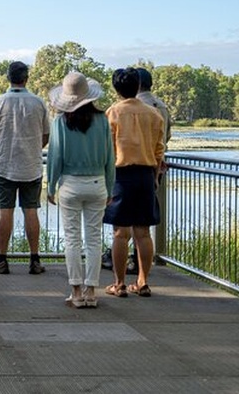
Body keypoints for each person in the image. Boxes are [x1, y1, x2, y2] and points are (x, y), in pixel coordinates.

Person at [46, 72, 115, 308]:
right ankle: (91, 292)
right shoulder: (103, 120)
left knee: (72, 239)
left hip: (70, 184)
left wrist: (50, 185)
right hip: (97, 184)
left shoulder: (60, 123)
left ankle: (75, 291)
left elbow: (55, 157)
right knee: (94, 239)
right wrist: (110, 186)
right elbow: (109, 157)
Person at [0, 61, 50, 275]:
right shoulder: (38, 103)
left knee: (5, 211)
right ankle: (35, 259)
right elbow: (46, 135)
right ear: (26, 78)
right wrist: (34, 148)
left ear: (8, 78)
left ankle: (1, 259)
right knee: (31, 210)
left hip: (4, 166)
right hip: (31, 167)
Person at [103, 67, 165, 298]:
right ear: (138, 85)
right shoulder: (153, 114)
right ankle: (143, 281)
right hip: (146, 176)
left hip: (120, 176)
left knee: (120, 233)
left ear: (116, 88)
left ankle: (118, 284)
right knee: (143, 232)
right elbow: (160, 149)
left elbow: (107, 149)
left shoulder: (113, 113)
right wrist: (156, 175)